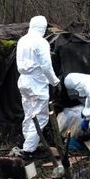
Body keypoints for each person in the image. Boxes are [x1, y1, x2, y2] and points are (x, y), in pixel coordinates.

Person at [16, 15, 60, 157]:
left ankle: (28, 143)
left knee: (29, 114)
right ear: (42, 27)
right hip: (37, 82)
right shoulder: (41, 42)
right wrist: (55, 81)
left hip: (23, 81)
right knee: (40, 117)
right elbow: (46, 66)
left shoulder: (22, 40)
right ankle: (29, 150)